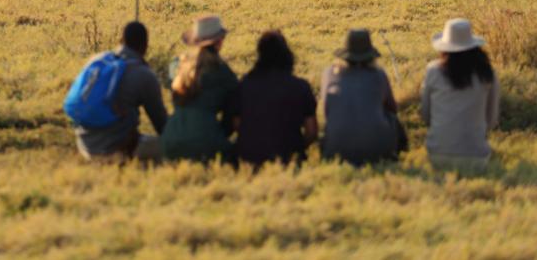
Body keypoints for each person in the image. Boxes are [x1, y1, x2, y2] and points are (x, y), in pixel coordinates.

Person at [73, 21, 168, 162]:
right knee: (173, 147)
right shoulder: (143, 74)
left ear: (121, 41)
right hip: (116, 148)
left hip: (84, 144)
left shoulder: (97, 61)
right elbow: (162, 125)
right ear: (145, 45)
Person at [420, 18, 500, 170]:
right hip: (476, 158)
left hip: (437, 155)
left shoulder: (433, 71)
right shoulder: (487, 74)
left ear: (445, 48)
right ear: (474, 47)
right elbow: (491, 120)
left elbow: (426, 115)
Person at [160, 14, 239, 162]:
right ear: (219, 42)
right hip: (206, 140)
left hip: (170, 138)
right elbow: (232, 115)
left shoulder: (177, 66)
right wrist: (218, 133)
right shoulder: (222, 72)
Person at [234, 31, 317, 167]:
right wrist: (298, 147)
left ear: (259, 55)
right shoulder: (300, 87)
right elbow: (312, 131)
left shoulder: (244, 85)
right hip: (288, 157)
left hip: (250, 158)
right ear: (287, 54)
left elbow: (236, 124)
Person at [320, 29, 401, 166]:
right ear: (370, 55)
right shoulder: (378, 75)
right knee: (392, 118)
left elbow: (327, 111)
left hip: (336, 150)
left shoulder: (329, 74)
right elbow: (392, 108)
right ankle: (395, 154)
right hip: (377, 149)